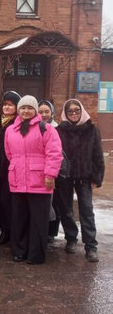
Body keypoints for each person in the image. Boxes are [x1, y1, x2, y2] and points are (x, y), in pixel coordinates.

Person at [4, 95, 63, 265]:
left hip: (40, 181)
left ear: (35, 110)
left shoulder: (46, 129)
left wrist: (50, 175)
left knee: (38, 221)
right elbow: (9, 154)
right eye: (23, 108)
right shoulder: (10, 130)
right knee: (19, 218)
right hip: (18, 180)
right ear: (18, 110)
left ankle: (36, 255)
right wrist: (17, 167)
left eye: (30, 108)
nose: (26, 111)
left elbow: (54, 153)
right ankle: (19, 251)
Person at [56, 99, 105, 262]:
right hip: (65, 176)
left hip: (84, 175)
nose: (74, 114)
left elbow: (98, 154)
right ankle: (71, 238)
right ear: (65, 113)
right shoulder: (59, 130)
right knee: (66, 208)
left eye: (76, 110)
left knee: (86, 210)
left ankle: (90, 246)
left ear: (81, 111)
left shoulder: (91, 129)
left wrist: (97, 177)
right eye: (70, 111)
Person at [0, 90, 20, 245]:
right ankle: (4, 230)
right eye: (5, 104)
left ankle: (13, 231)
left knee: (8, 201)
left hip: (11, 168)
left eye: (11, 105)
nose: (7, 107)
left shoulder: (18, 123)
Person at [38, 100, 60, 242]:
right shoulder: (35, 128)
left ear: (52, 113)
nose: (44, 115)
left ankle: (51, 232)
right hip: (42, 172)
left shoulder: (57, 128)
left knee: (54, 204)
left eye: (47, 111)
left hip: (56, 172)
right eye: (40, 112)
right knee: (44, 204)